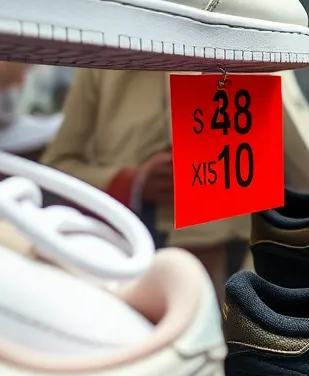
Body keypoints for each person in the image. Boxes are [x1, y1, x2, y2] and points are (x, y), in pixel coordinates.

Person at [42, 70, 250, 304]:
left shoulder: (244, 47)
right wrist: (129, 183)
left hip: (229, 261)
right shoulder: (104, 52)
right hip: (124, 252)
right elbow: (55, 168)